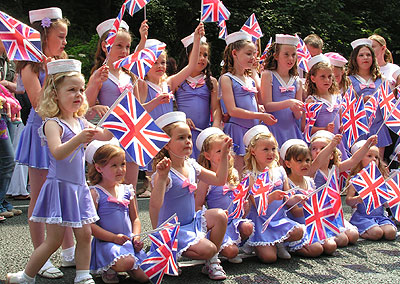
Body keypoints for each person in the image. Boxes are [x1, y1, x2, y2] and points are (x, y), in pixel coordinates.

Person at [7, 59, 112, 284]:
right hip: (59, 187)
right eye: (71, 90)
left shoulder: (80, 121)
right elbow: (57, 152)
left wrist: (116, 125)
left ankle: (83, 276)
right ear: (55, 94)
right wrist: (79, 139)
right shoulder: (52, 124)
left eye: (81, 90)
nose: (78, 95)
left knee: (85, 235)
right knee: (53, 240)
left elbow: (105, 135)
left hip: (79, 188)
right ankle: (26, 276)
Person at [14, 7, 74, 278]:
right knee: (38, 197)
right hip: (40, 134)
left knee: (65, 191)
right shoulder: (30, 65)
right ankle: (41, 256)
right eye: (60, 36)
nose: (64, 42)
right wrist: (52, 72)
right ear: (44, 34)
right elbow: (39, 104)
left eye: (65, 37)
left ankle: (69, 250)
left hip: (62, 131)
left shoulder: (61, 59)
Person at [150, 111, 231, 280]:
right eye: (180, 138)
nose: (187, 141)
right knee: (208, 248)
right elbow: (155, 204)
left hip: (191, 222)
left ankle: (212, 262)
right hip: (172, 230)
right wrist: (162, 178)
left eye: (188, 137)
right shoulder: (164, 171)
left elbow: (219, 180)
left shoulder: (192, 165)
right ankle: (169, 252)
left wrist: (223, 155)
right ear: (166, 144)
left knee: (220, 216)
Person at [85, 18, 148, 190]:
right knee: (107, 189)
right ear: (106, 46)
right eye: (119, 46)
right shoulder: (100, 74)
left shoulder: (129, 76)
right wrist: (94, 107)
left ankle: (131, 217)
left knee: (130, 189)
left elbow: (138, 108)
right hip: (108, 137)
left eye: (127, 46)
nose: (124, 51)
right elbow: (84, 108)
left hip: (131, 136)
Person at [242, 125, 306, 263]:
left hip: (278, 219)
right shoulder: (250, 175)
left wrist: (297, 198)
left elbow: (287, 199)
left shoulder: (280, 171)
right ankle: (256, 243)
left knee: (299, 232)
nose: (270, 153)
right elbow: (257, 205)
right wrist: (271, 197)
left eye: (273, 149)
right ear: (253, 151)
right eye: (265, 149)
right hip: (261, 222)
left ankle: (279, 242)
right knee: (269, 258)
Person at [85, 141, 148, 283]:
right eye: (114, 165)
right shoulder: (96, 193)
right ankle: (110, 267)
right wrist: (113, 238)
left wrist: (136, 237)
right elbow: (91, 226)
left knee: (147, 277)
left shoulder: (127, 190)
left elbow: (135, 218)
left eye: (123, 164)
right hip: (107, 243)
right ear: (99, 168)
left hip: (127, 242)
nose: (120, 169)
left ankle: (128, 264)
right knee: (127, 262)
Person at [220, 31, 276, 175]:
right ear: (234, 53)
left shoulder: (250, 79)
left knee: (253, 173)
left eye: (254, 54)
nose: (253, 58)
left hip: (253, 131)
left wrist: (261, 113)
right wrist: (260, 115)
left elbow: (259, 102)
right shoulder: (227, 79)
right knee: (238, 172)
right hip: (237, 130)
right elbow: (232, 110)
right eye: (248, 54)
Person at [195, 127, 254, 264]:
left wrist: (244, 208)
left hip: (234, 220)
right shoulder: (206, 178)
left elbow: (238, 198)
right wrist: (212, 216)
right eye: (219, 151)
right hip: (219, 224)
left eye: (227, 150)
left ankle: (237, 243)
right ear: (208, 156)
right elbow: (198, 205)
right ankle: (220, 245)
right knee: (231, 252)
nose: (225, 154)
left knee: (248, 227)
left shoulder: (233, 172)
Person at [310, 130, 378, 247]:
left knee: (353, 235)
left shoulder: (335, 169)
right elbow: (318, 162)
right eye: (314, 148)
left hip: (334, 214)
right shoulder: (312, 170)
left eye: (322, 148)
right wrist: (331, 145)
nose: (317, 151)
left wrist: (368, 145)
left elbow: (353, 160)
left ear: (332, 155)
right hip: (320, 215)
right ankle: (323, 238)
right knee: (342, 240)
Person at [175, 33, 222, 159]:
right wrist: (180, 118)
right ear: (187, 56)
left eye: (205, 55)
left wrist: (215, 127)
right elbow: (170, 106)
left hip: (203, 135)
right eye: (198, 54)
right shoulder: (177, 81)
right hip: (182, 134)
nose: (202, 58)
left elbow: (216, 108)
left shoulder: (211, 82)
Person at [347, 38, 391, 159]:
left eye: (368, 55)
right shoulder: (348, 80)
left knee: (376, 163)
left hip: (377, 126)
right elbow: (344, 104)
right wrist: (361, 101)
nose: (365, 58)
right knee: (357, 163)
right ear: (355, 58)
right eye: (361, 55)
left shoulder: (381, 79)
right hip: (357, 127)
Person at [346, 140, 397, 241]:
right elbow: (348, 201)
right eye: (369, 156)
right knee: (376, 233)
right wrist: (357, 199)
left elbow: (386, 204)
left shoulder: (381, 180)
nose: (374, 159)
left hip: (380, 216)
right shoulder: (356, 179)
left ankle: (375, 228)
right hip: (362, 217)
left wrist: (388, 200)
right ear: (359, 159)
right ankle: (362, 230)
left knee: (391, 233)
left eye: (376, 157)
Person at [261, 34, 303, 148]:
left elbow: (299, 115)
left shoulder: (297, 80)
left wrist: (296, 110)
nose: (290, 59)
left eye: (293, 55)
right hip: (273, 127)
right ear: (276, 56)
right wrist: (289, 103)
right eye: (286, 54)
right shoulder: (268, 75)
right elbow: (267, 106)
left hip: (291, 129)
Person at [304, 54, 348, 159]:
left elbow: (342, 118)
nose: (327, 80)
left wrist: (343, 125)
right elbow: (305, 128)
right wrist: (324, 128)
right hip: (322, 143)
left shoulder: (337, 96)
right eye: (322, 77)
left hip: (338, 141)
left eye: (329, 77)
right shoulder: (312, 101)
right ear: (313, 78)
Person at [0, 40, 23, 218]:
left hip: (8, 114)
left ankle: (2, 201)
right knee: (7, 158)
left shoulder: (10, 60)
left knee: (8, 160)